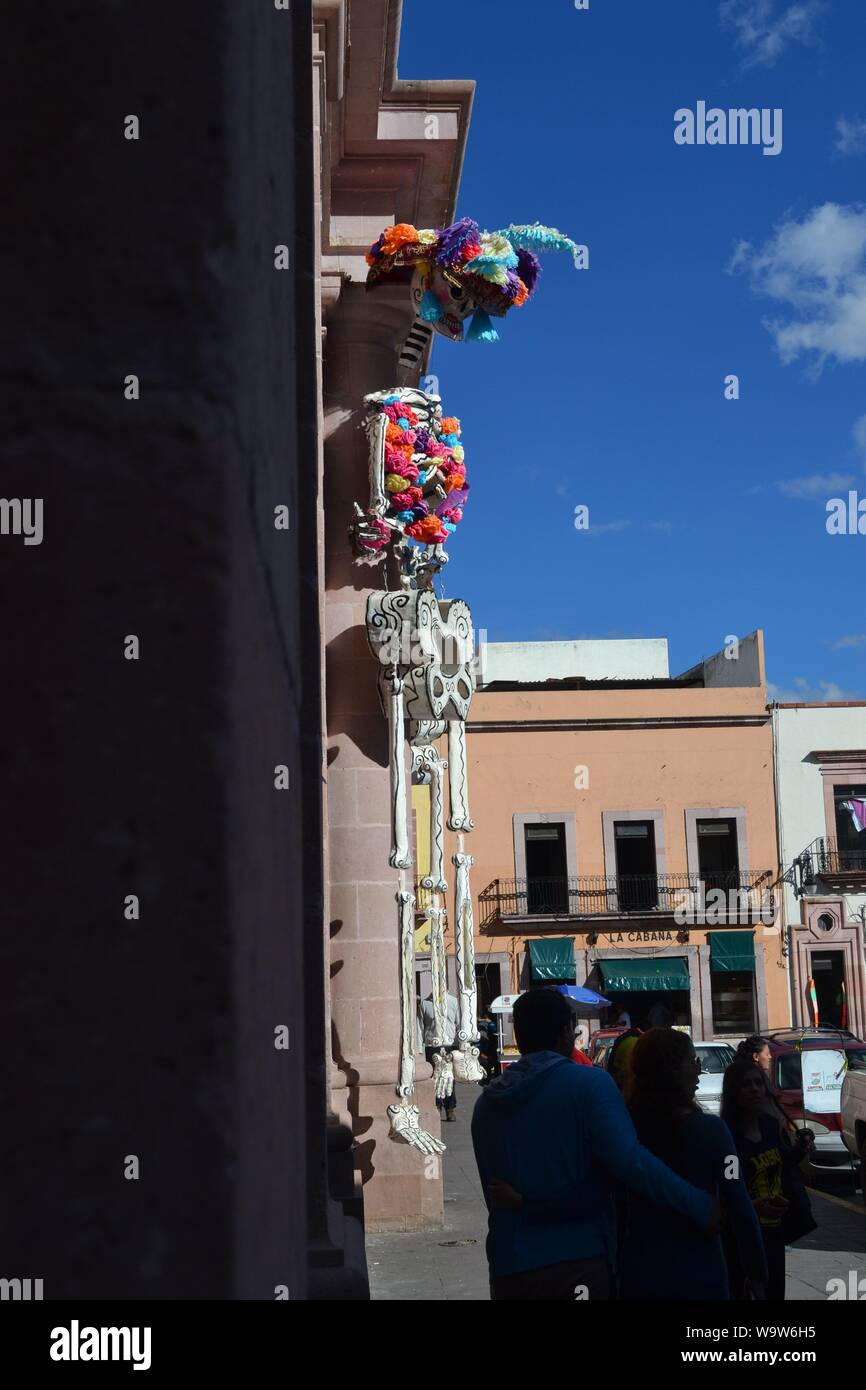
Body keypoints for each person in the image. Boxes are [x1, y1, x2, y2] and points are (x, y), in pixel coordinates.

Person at [470, 988, 722, 1301]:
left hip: (509, 1268)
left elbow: (494, 1195)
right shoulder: (589, 1085)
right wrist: (699, 1205)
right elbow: (632, 1164)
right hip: (576, 1262)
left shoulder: (487, 1105)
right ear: (565, 1033)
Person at [618, 1029, 767, 1299]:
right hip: (699, 1270)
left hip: (638, 1269)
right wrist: (757, 1273)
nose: (699, 1071)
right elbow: (738, 1202)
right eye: (692, 1061)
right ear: (674, 1070)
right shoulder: (713, 1132)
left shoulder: (622, 1130)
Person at [720, 1059, 815, 1300]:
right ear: (733, 1093)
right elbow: (728, 1185)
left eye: (758, 1083)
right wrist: (751, 1206)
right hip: (744, 1238)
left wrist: (799, 1151)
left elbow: (779, 1162)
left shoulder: (770, 1126)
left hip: (774, 1233)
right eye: (745, 1085)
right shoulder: (726, 1138)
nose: (754, 1089)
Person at [417, 992, 460, 1121]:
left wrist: (460, 1045)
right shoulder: (425, 1003)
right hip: (432, 1046)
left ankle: (450, 1109)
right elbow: (420, 1027)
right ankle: (436, 1106)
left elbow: (458, 1024)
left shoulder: (453, 1001)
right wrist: (419, 1049)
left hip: (449, 1045)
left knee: (449, 1078)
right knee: (434, 1078)